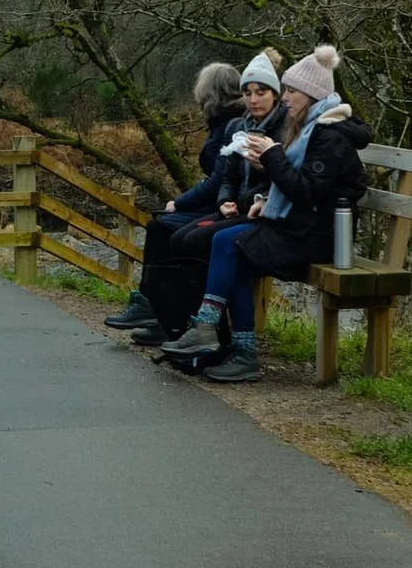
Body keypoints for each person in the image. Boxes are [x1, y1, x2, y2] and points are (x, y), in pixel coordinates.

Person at [159, 43, 370, 381]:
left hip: (319, 237)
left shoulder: (330, 135)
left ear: (311, 95)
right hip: (299, 225)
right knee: (229, 248)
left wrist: (272, 156)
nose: (285, 98)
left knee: (228, 244)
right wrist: (265, 198)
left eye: (291, 91)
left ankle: (211, 332)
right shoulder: (311, 127)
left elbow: (308, 191)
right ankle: (235, 348)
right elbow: (294, 184)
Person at [101, 50, 284, 343]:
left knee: (172, 230)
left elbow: (222, 179)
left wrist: (183, 202)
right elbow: (227, 177)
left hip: (247, 212)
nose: (253, 99)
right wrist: (224, 199)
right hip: (231, 205)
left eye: (260, 92)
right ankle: (163, 312)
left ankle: (177, 318)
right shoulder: (237, 124)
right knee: (164, 227)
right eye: (248, 92)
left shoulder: (244, 126)